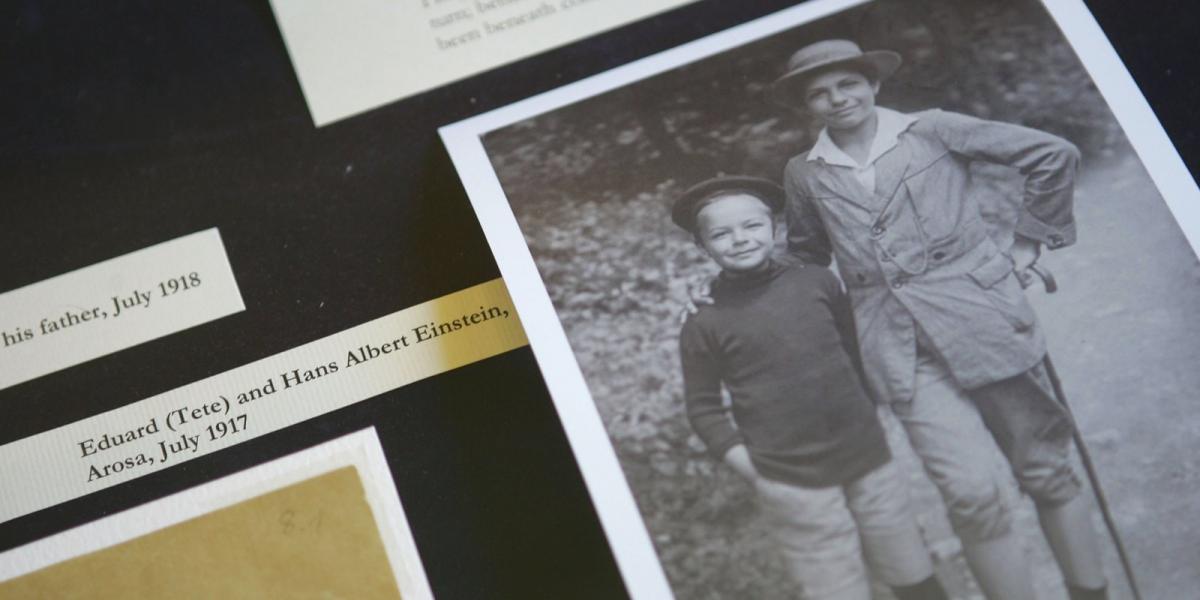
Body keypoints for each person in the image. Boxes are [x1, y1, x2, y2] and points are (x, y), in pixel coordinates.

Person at [760, 39, 1108, 600]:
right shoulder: (805, 172)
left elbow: (1052, 155)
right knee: (971, 496)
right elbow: (805, 255)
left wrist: (1027, 245)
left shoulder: (933, 130)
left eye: (847, 83)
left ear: (873, 84)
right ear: (807, 108)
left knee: (1046, 471)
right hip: (899, 350)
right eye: (818, 93)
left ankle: (1091, 593)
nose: (836, 98)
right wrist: (738, 291)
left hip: (985, 321)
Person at [674, 176, 947, 600]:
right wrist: (752, 467)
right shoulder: (703, 320)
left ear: (774, 228)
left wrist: (874, 412)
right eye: (721, 234)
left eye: (751, 226)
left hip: (866, 452)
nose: (740, 239)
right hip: (789, 475)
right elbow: (703, 407)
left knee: (909, 567)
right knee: (834, 583)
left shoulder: (817, 281)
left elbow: (855, 352)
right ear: (702, 247)